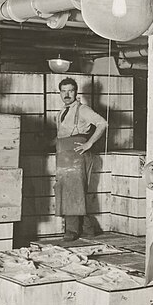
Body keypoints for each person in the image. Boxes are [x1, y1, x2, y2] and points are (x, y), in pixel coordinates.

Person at [53, 77, 108, 241]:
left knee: (74, 191)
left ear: (76, 92)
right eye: (63, 91)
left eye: (70, 90)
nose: (67, 94)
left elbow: (102, 123)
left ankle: (72, 230)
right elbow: (62, 135)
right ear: (60, 93)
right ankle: (88, 229)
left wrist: (89, 143)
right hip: (64, 155)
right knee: (66, 190)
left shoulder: (83, 109)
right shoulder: (61, 112)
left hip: (77, 156)